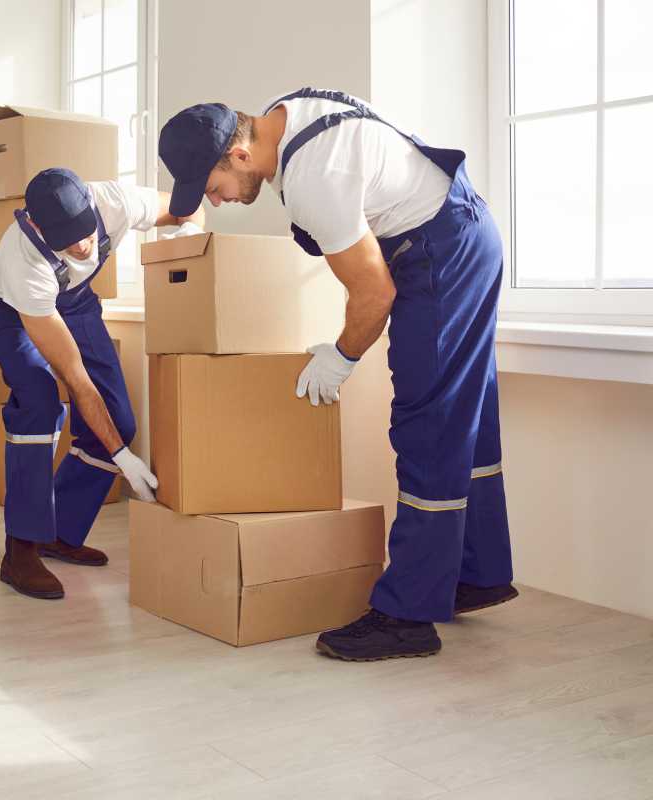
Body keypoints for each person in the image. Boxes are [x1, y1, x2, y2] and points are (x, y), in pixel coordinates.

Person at [158, 88, 518, 661]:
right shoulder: (292, 109)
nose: (218, 202)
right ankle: (477, 571)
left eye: (213, 187)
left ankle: (408, 616)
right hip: (462, 230)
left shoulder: (313, 178)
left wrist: (343, 357)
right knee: (465, 415)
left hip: (440, 252)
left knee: (429, 423)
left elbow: (374, 292)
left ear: (241, 155)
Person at [0, 167, 203, 600]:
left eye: (86, 233)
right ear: (37, 225)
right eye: (69, 240)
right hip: (15, 312)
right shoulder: (25, 261)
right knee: (40, 403)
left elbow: (187, 207)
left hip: (77, 303)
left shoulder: (115, 201)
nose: (84, 247)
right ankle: (20, 550)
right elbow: (76, 380)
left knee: (120, 419)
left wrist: (187, 235)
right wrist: (123, 458)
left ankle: (58, 530)